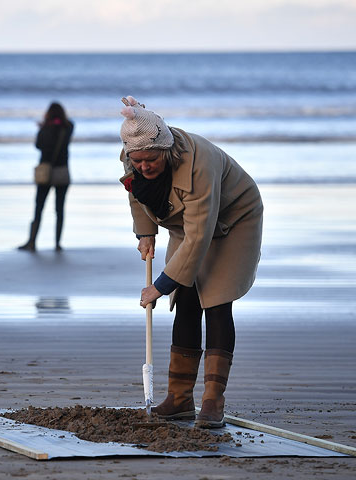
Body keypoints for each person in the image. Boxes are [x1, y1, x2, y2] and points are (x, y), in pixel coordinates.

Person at [118, 96, 263, 428]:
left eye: (150, 160)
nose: (144, 167)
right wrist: (146, 233)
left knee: (215, 299)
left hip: (233, 220)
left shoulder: (200, 165)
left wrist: (159, 286)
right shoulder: (133, 155)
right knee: (185, 301)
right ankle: (179, 399)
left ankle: (213, 401)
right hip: (188, 222)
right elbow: (135, 191)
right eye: (137, 161)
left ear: (166, 150)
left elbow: (200, 236)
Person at [18, 102, 74, 252]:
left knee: (39, 207)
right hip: (62, 171)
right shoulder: (68, 127)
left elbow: (38, 145)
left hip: (46, 171)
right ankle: (57, 243)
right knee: (59, 209)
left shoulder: (46, 128)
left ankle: (32, 242)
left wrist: (43, 127)